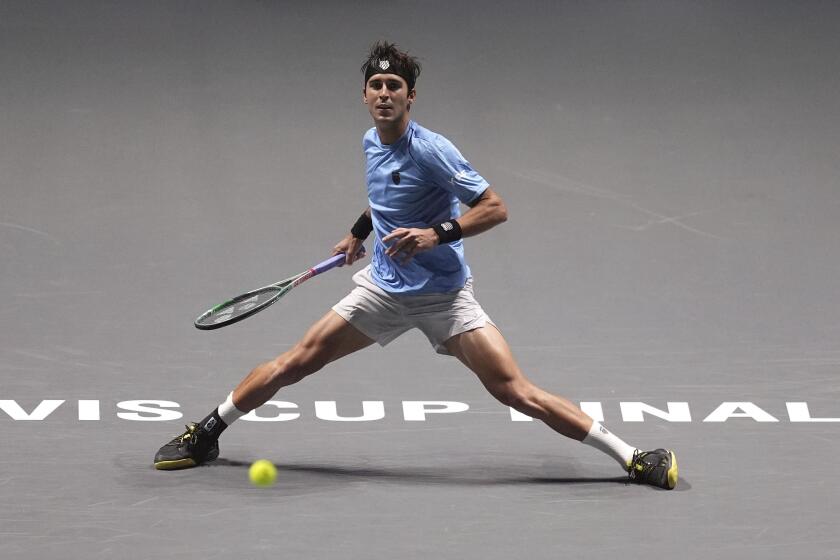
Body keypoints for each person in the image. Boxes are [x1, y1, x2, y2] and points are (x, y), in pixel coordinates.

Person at [153, 41, 678, 490]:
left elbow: (495, 208)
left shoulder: (432, 150)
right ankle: (206, 433)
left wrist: (435, 234)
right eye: (376, 85)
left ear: (411, 96)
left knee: (516, 391)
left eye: (394, 86)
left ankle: (633, 458)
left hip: (446, 299)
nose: (384, 93)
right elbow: (384, 200)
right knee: (295, 363)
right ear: (364, 95)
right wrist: (359, 234)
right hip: (382, 291)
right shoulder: (370, 141)